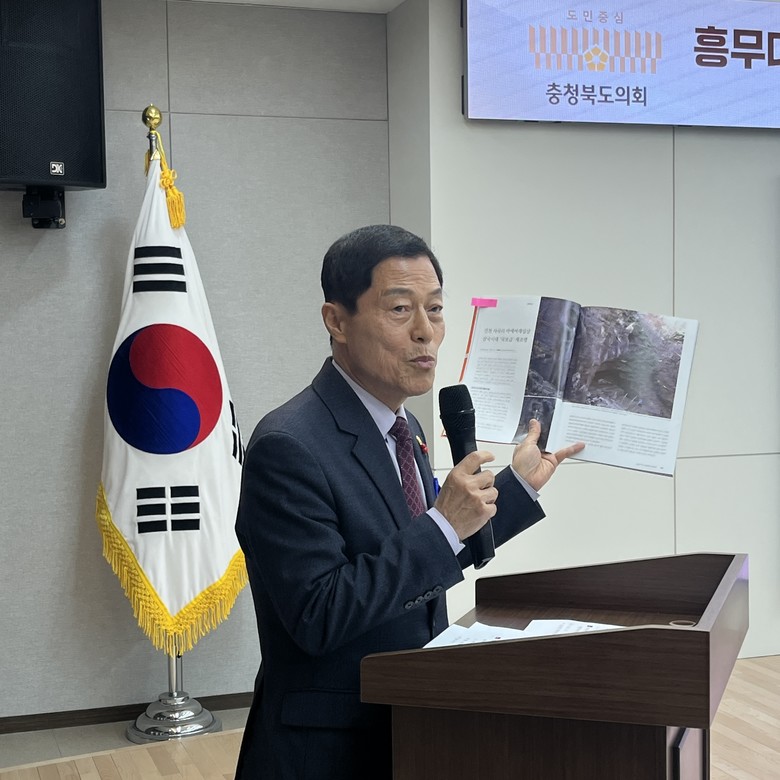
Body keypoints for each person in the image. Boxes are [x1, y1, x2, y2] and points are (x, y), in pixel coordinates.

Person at [234, 224, 584, 780]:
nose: (426, 332)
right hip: (328, 747)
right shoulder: (288, 446)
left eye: (436, 309)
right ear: (336, 321)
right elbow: (318, 614)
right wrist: (443, 524)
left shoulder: (405, 429)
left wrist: (516, 489)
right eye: (400, 309)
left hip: (411, 723)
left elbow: (426, 555)